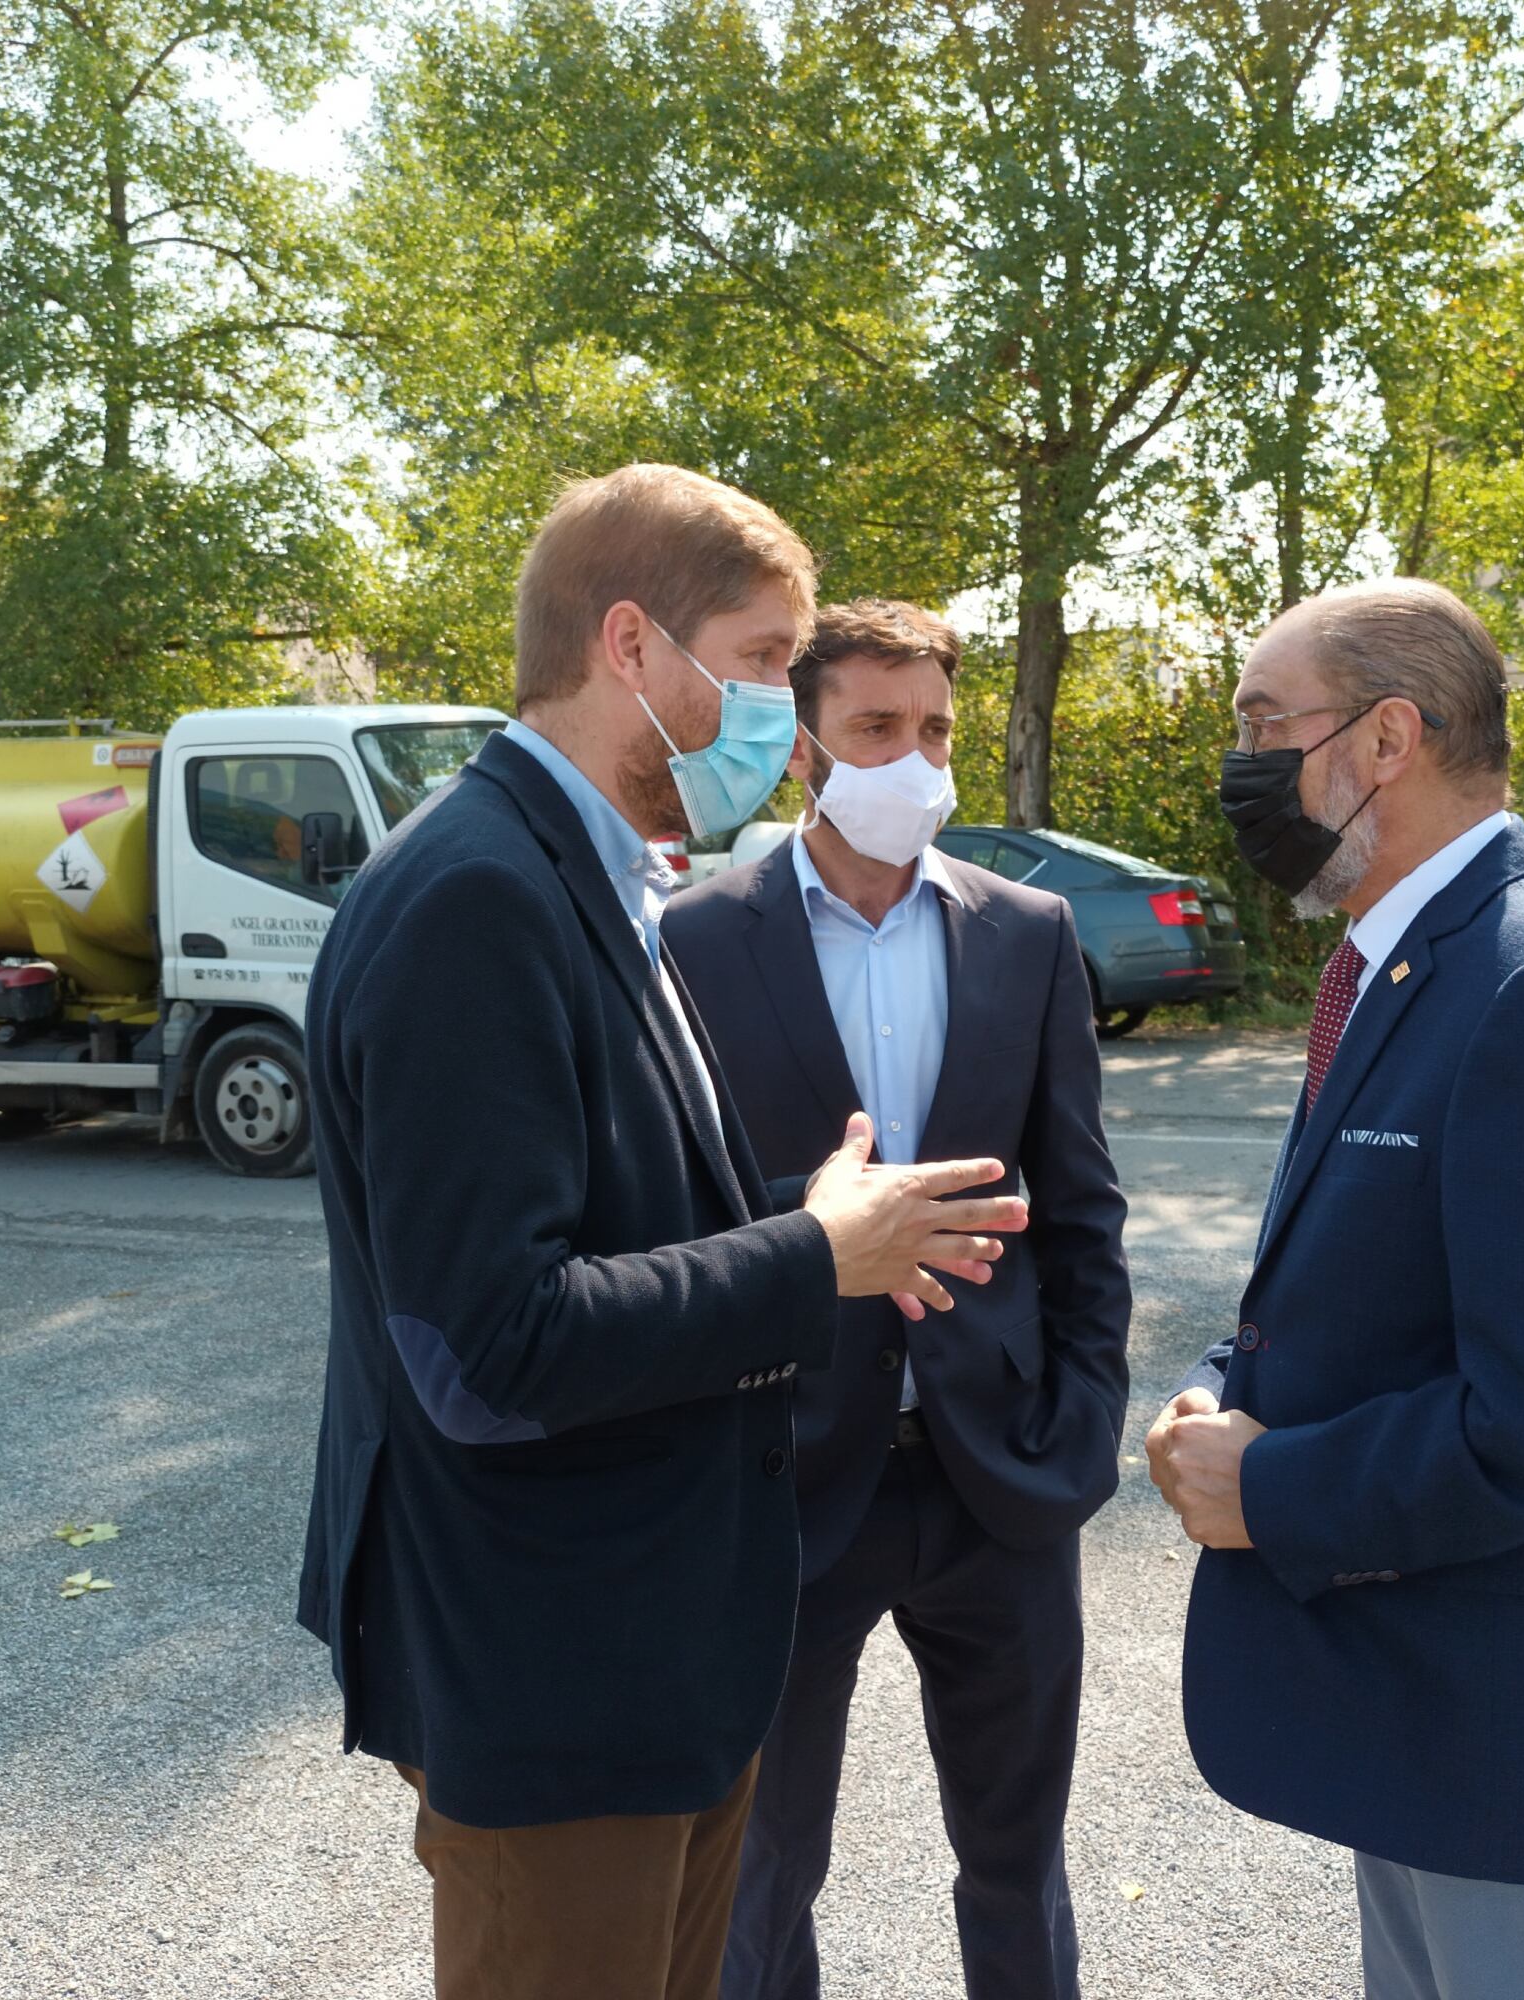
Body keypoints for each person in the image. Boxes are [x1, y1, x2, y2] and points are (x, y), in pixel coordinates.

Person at [296, 467, 1030, 2000]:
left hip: (652, 1661)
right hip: (561, 1681)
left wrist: (816, 1222)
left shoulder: (589, 872)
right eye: (761, 663)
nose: (787, 721)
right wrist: (813, 1256)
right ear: (628, 644)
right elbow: (489, 1348)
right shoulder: (476, 897)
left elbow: (613, 1226)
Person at [1146, 579, 1524, 2000]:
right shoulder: (1410, 953)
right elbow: (1381, 1278)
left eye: (1263, 723)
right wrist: (1226, 1390)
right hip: (1426, 1692)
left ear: (1385, 738)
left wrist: (1271, 1485)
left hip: (1508, 1718)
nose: (1242, 763)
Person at [666, 599, 1131, 2000]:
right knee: (760, 1875)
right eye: (876, 727)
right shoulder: (695, 939)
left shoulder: (1027, 931)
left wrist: (1080, 1431)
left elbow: (1083, 1208)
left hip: (999, 1479)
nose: (914, 758)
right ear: (805, 747)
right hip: (786, 1481)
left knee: (1017, 1861)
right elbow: (676, 1217)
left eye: (934, 728)